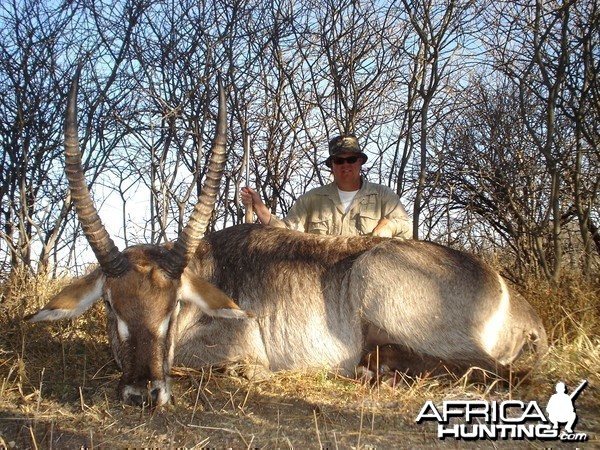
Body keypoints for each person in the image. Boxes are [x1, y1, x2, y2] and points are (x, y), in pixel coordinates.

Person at [241, 134, 412, 238]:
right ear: (332, 166)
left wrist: (390, 225)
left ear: (360, 162)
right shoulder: (311, 200)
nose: (346, 165)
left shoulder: (383, 196)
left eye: (351, 159)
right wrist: (259, 207)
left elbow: (407, 228)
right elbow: (286, 234)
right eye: (339, 160)